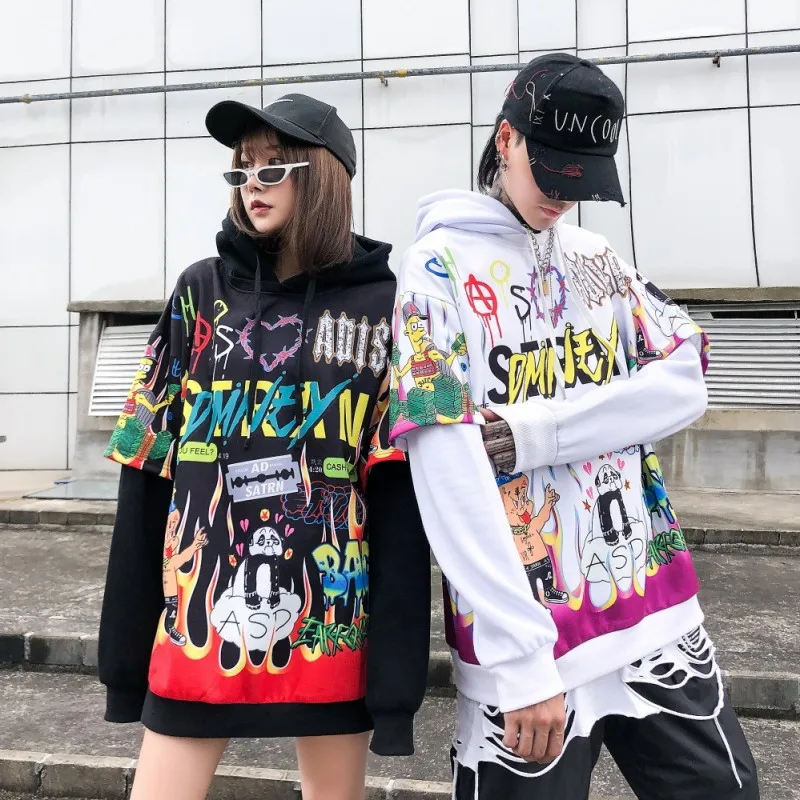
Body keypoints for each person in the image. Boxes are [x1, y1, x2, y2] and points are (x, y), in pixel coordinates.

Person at [389, 54, 759, 799]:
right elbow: (446, 467)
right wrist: (520, 657)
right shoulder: (435, 270)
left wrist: (538, 432)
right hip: (530, 636)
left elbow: (686, 375)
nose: (564, 196)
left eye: (583, 178)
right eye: (552, 170)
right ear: (506, 140)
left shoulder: (595, 258)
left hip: (651, 608)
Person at [98, 93, 431, 800]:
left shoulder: (385, 308)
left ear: (324, 177)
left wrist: (395, 685)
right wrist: (123, 659)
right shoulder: (199, 292)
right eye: (242, 169)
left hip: (329, 625)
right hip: (201, 623)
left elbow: (399, 494)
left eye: (273, 168)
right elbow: (146, 467)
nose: (253, 184)